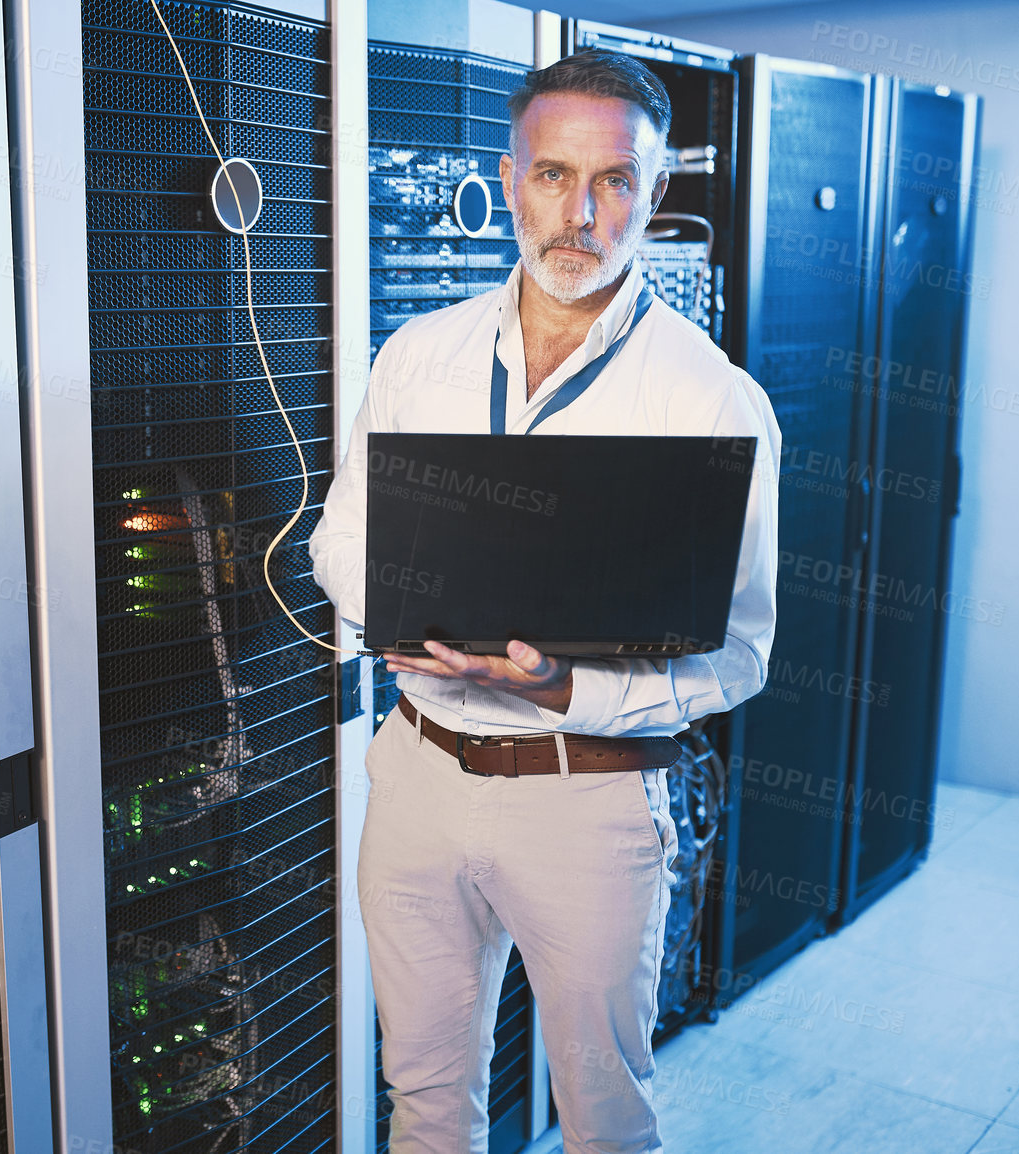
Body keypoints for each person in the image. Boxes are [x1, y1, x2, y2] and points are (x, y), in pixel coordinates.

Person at [308, 49, 781, 1154]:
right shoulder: (420, 354)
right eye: (553, 174)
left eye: (613, 180)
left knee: (604, 1120)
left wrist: (571, 686)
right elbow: (339, 533)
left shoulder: (711, 399)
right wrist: (398, 613)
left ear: (654, 195)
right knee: (422, 1098)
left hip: (588, 801)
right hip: (417, 770)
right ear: (511, 176)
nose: (580, 212)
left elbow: (740, 655)